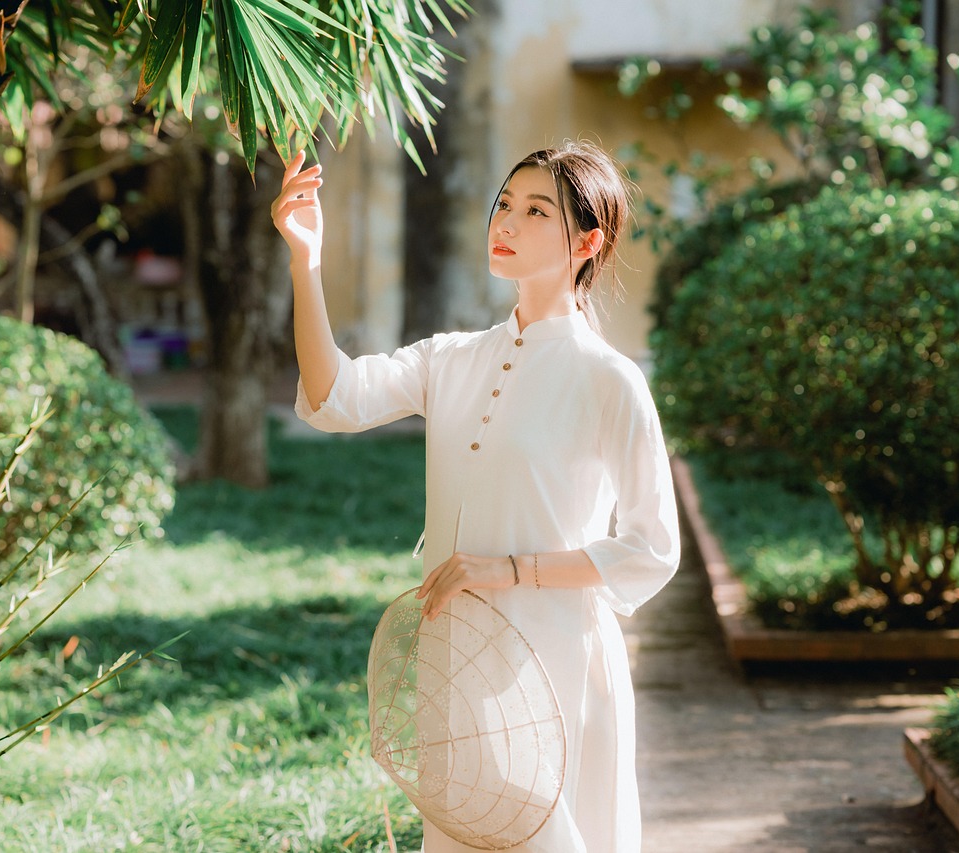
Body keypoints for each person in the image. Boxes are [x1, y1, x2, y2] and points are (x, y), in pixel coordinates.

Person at [270, 141, 680, 852]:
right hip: (455, 652)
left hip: (554, 659)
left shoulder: (609, 379)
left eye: (534, 210)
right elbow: (331, 396)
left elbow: (651, 547)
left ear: (589, 241)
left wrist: (508, 568)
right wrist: (305, 262)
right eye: (503, 204)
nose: (507, 222)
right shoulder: (450, 358)